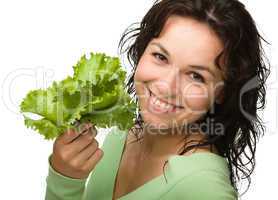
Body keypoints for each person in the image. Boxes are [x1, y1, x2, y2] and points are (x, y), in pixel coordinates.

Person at [45, 0, 270, 199]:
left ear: (221, 92)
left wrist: (64, 185)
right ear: (142, 51)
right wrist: (66, 178)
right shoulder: (123, 135)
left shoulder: (205, 189)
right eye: (160, 56)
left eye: (196, 76)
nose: (166, 86)